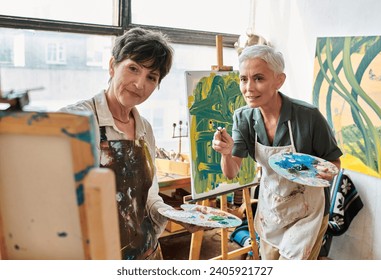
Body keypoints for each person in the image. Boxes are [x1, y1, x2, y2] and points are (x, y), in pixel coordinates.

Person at [61, 27, 190, 260]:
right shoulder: (76, 120)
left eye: (152, 77)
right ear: (112, 66)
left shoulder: (145, 129)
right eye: (133, 69)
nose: (140, 84)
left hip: (147, 255)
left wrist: (173, 214)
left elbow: (149, 196)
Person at [212, 44, 342, 260]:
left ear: (279, 80)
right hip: (272, 206)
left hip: (308, 211)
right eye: (243, 79)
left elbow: (334, 162)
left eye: (259, 78)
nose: (249, 88)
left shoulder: (308, 117)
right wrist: (226, 153)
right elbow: (231, 172)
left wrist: (325, 173)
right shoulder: (243, 118)